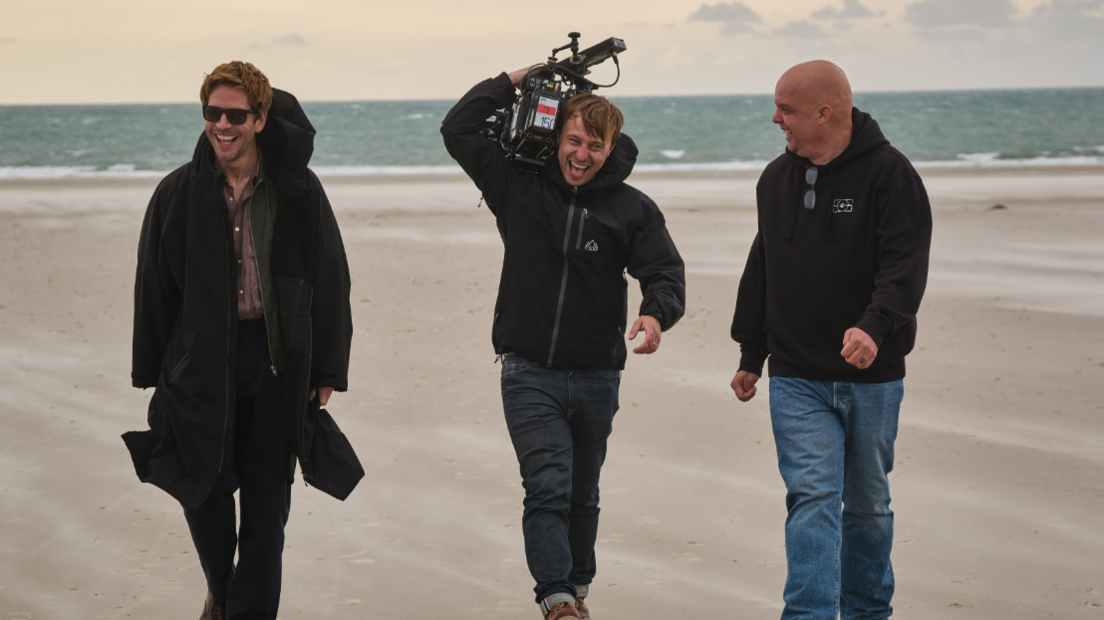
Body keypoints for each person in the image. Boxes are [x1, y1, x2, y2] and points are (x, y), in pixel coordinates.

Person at [442, 67, 686, 620]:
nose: (580, 155)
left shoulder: (631, 208)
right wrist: (514, 78)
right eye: (573, 141)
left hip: (598, 374)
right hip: (528, 370)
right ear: (557, 137)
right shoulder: (516, 186)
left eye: (593, 146)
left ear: (611, 148)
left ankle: (576, 590)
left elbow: (665, 272)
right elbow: (458, 128)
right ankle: (555, 597)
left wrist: (655, 315)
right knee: (547, 485)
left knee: (583, 494)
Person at [122, 61, 355, 620]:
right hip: (201, 363)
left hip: (275, 361)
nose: (222, 125)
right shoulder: (177, 192)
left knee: (267, 504)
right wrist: (153, 374)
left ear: (259, 118)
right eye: (212, 113)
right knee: (203, 493)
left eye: (235, 115)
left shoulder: (296, 190)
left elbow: (331, 277)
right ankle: (224, 595)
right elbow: (152, 286)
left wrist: (327, 371)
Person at [729, 60, 932, 620]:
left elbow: (904, 267)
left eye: (786, 110)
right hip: (796, 376)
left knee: (867, 505)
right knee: (813, 498)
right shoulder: (775, 179)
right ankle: (809, 615)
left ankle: (868, 613)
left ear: (826, 111)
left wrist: (874, 326)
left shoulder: (892, 176)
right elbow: (763, 265)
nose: (776, 120)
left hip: (873, 376)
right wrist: (752, 351)